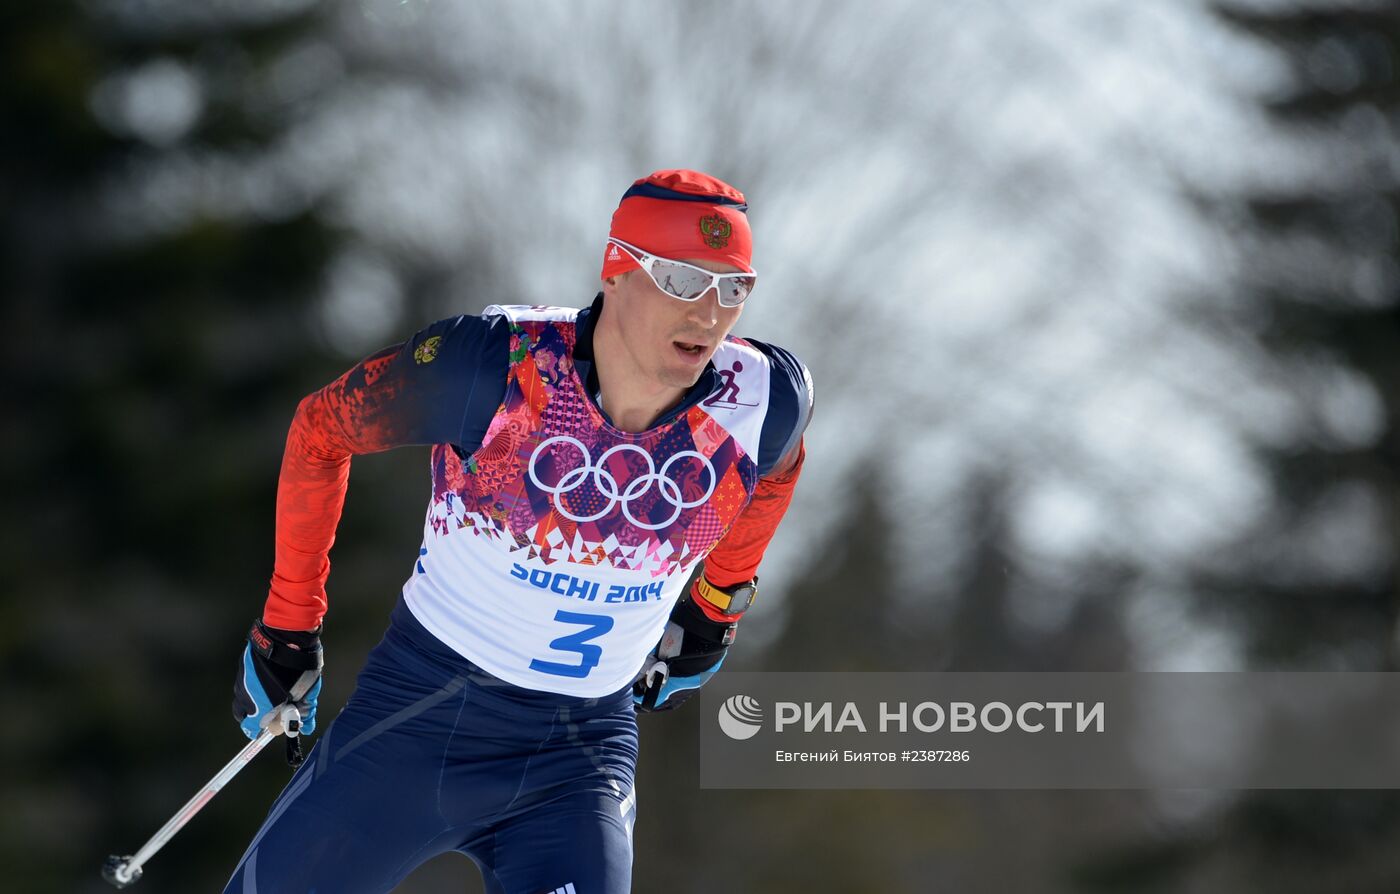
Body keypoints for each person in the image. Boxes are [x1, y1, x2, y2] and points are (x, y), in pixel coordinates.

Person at [224, 169, 813, 893]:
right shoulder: (492, 368)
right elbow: (321, 428)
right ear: (618, 270)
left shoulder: (763, 400)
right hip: (418, 721)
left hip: (577, 760)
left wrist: (719, 604)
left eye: (733, 287)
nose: (709, 314)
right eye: (685, 281)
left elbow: (779, 470)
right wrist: (287, 628)